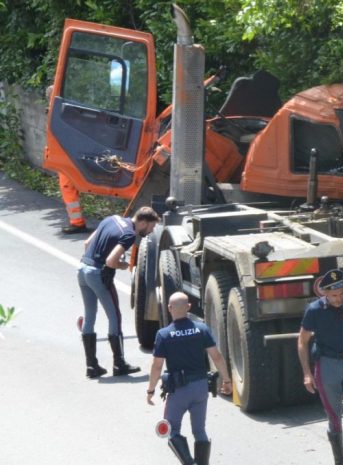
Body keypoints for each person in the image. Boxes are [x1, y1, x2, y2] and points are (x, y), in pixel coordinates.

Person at [147, 292, 233, 465]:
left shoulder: (164, 334)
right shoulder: (201, 329)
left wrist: (151, 390)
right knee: (200, 431)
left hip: (179, 391)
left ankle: (189, 463)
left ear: (169, 308)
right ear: (188, 307)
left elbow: (157, 365)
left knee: (172, 430)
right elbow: (216, 356)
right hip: (201, 388)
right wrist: (227, 380)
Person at [298, 269, 343, 465]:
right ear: (324, 293)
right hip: (327, 366)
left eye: (341, 294)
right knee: (334, 417)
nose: (337, 299)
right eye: (333, 296)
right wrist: (307, 373)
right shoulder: (314, 310)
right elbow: (302, 341)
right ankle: (340, 460)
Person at [78, 205, 160, 378]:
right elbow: (110, 261)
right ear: (143, 222)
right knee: (115, 316)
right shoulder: (129, 234)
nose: (150, 231)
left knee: (90, 315)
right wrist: (123, 265)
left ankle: (91, 366)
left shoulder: (112, 218)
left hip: (83, 269)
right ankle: (119, 363)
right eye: (151, 227)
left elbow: (87, 243)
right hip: (98, 274)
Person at [44, 84, 88, 234]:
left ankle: (77, 222)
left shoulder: (59, 111)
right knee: (69, 187)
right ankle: (76, 221)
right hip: (67, 154)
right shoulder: (65, 108)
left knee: (68, 187)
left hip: (67, 156)